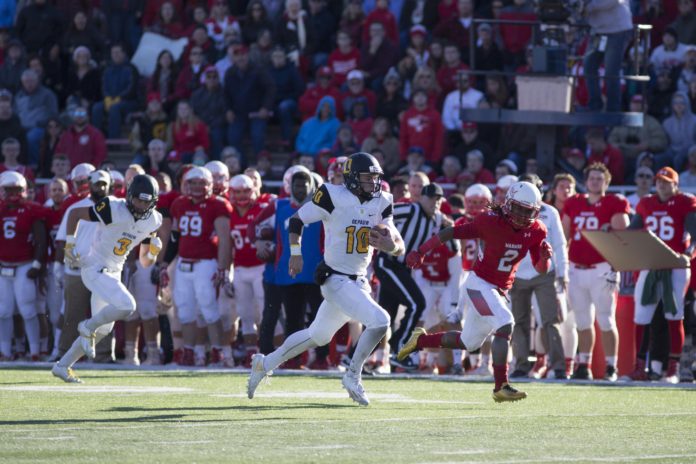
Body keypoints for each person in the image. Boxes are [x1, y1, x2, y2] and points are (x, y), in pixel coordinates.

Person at [247, 152, 404, 405]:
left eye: (375, 178)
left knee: (318, 336)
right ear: (352, 178)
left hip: (359, 280)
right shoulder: (333, 195)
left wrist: (392, 247)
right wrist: (295, 253)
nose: (373, 184)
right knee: (380, 321)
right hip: (335, 278)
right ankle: (353, 375)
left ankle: (264, 363)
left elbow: (397, 241)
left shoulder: (382, 200)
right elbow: (297, 220)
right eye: (367, 178)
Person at [400, 181, 552, 401]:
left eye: (526, 210)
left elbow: (541, 269)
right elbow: (451, 232)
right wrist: (422, 251)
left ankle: (419, 341)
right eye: (517, 208)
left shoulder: (537, 230)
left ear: (534, 211)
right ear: (508, 204)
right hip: (479, 283)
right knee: (505, 323)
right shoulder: (489, 222)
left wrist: (546, 259)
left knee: (468, 342)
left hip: (498, 290)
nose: (520, 215)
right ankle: (501, 386)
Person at [51, 175, 163, 382]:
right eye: (139, 199)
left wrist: (153, 253)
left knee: (104, 328)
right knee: (127, 306)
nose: (141, 205)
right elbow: (75, 214)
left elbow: (145, 261)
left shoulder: (153, 220)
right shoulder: (112, 207)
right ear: (129, 196)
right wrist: (69, 243)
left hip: (114, 271)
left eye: (147, 201)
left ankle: (63, 365)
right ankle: (86, 326)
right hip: (94, 267)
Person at [624, 167, 695, 383]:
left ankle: (672, 368)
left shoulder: (685, 202)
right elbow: (632, 233)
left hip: (675, 265)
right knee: (641, 316)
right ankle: (638, 367)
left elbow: (695, 235)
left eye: (666, 181)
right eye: (659, 181)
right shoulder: (646, 203)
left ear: (676, 184)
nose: (662, 185)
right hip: (650, 264)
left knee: (674, 315)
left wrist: (688, 254)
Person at [562, 162, 630, 381]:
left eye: (600, 179)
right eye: (592, 178)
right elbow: (565, 236)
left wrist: (615, 265)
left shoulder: (615, 202)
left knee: (606, 320)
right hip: (575, 268)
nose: (595, 182)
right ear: (585, 181)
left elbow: (623, 234)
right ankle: (584, 364)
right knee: (582, 320)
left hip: (602, 268)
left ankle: (611, 366)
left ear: (607, 182)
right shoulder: (574, 203)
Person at [163, 167, 232, 367]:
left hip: (206, 264)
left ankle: (217, 352)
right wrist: (164, 263)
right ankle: (189, 352)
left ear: (210, 185)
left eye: (201, 183)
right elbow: (175, 238)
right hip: (184, 263)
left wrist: (222, 268)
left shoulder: (218, 205)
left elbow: (225, 239)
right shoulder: (179, 204)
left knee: (209, 309)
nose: (196, 187)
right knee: (185, 310)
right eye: (193, 183)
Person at [374, 183, 446, 370]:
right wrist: (381, 236)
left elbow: (447, 227)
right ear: (421, 198)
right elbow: (383, 213)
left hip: (403, 269)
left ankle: (351, 358)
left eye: (438, 199)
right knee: (417, 304)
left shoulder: (437, 219)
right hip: (388, 263)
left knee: (384, 316)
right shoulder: (410, 209)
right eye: (431, 198)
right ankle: (398, 348)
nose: (435, 202)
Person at [509, 174, 569, 380]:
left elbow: (560, 244)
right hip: (517, 272)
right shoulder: (509, 212)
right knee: (519, 321)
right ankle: (522, 363)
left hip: (544, 272)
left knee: (550, 319)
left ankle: (558, 365)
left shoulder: (549, 212)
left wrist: (564, 272)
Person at [0, 171, 47, 361]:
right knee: (3, 311)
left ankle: (34, 351)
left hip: (24, 265)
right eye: (8, 189)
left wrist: (36, 263)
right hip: (3, 266)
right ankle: (5, 351)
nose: (12, 194)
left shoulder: (31, 209)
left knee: (28, 310)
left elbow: (41, 240)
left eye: (16, 189)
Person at [582, 0, 633, 112]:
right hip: (598, 31)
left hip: (618, 30)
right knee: (588, 66)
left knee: (611, 71)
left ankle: (613, 109)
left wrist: (589, 6)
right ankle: (594, 105)